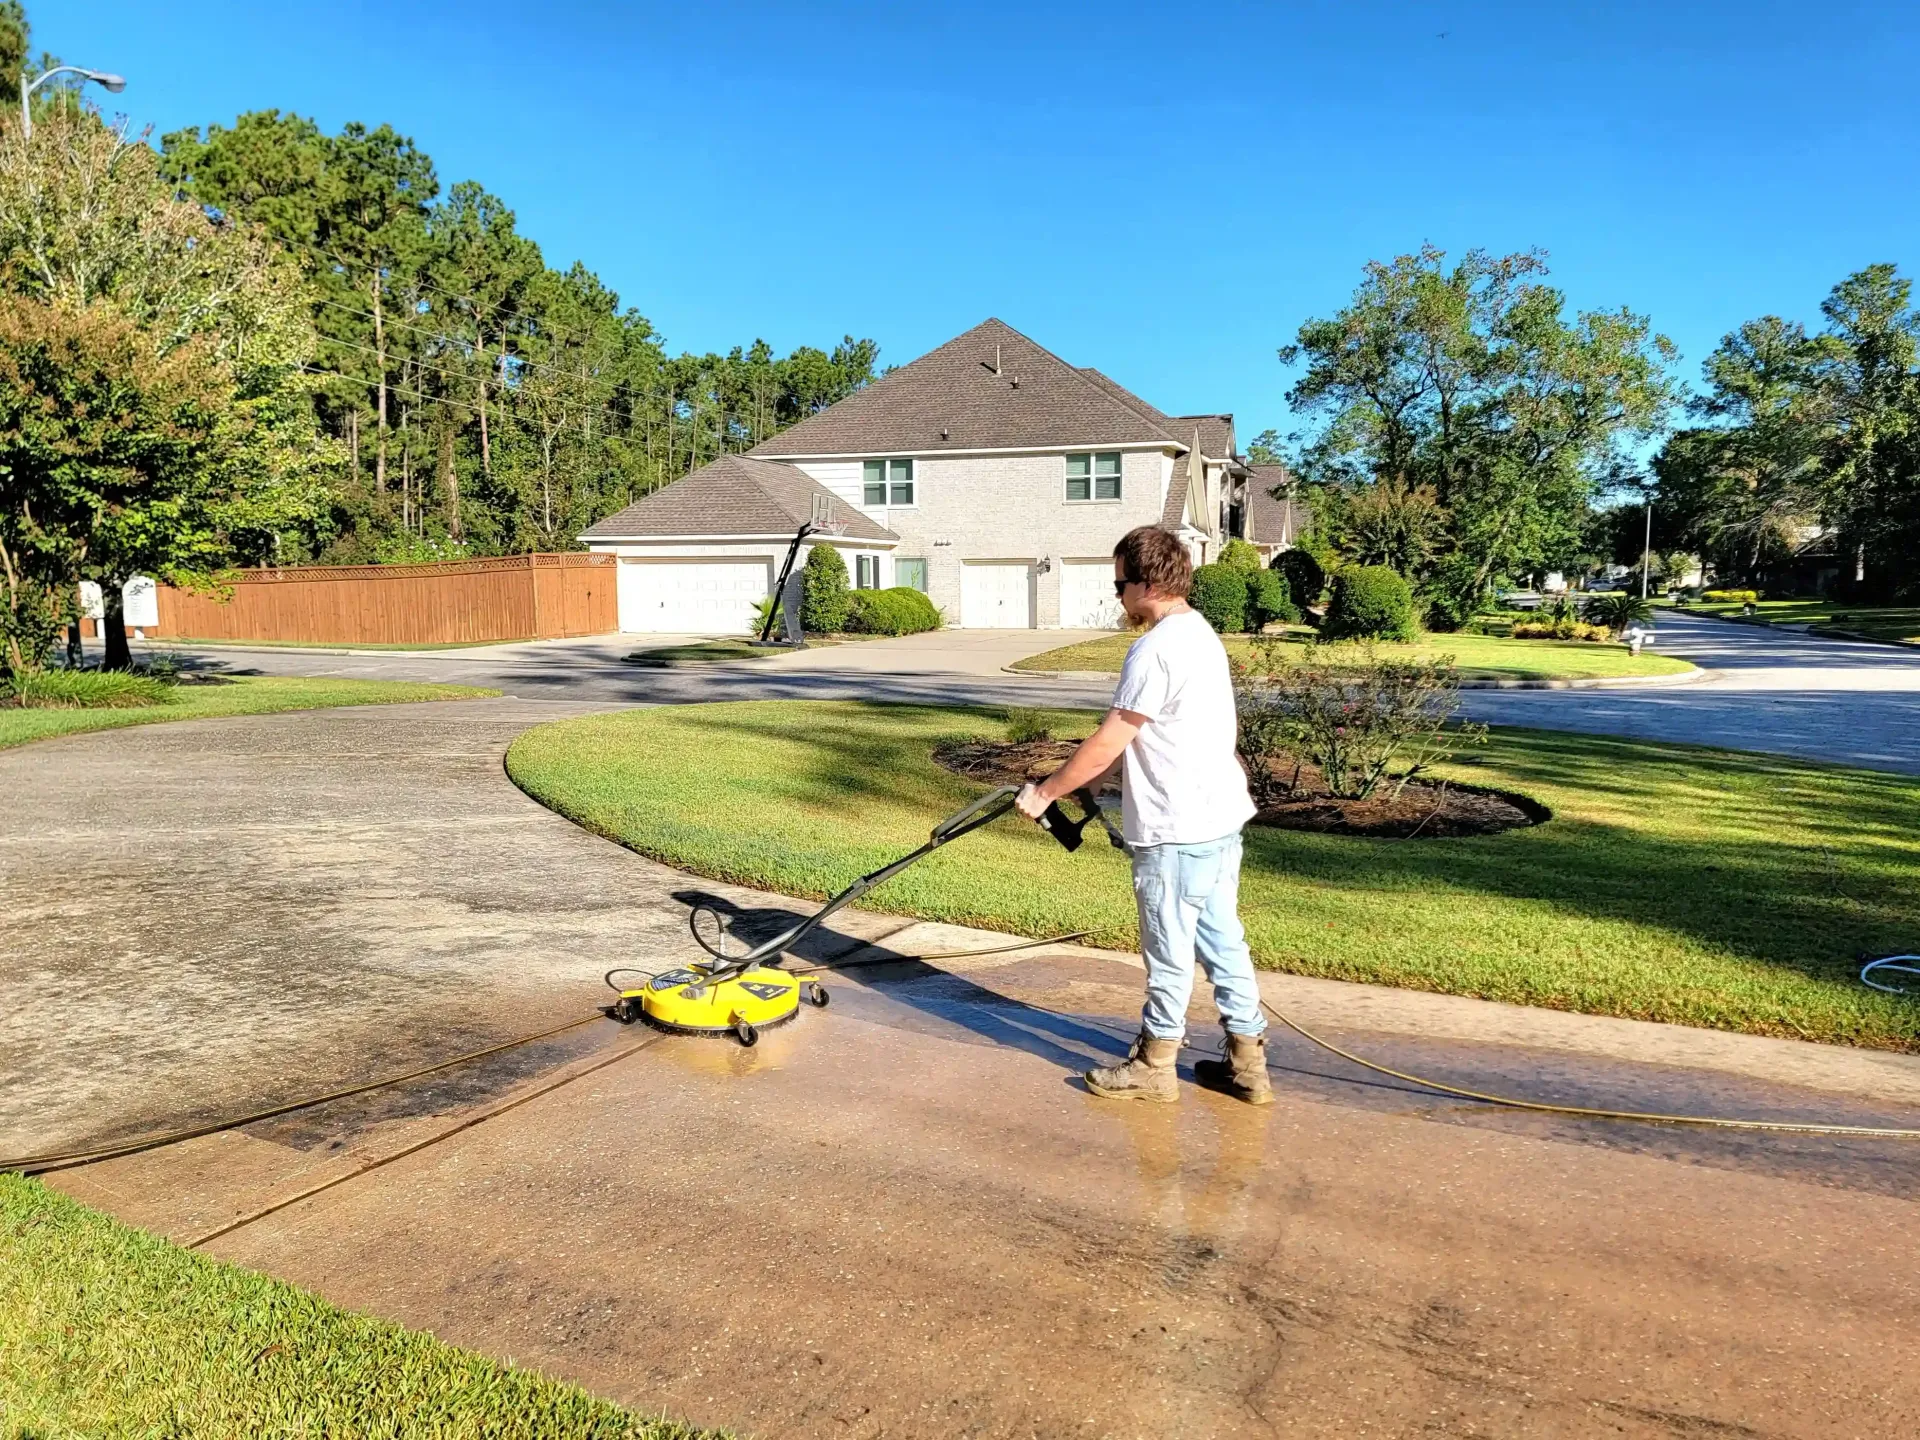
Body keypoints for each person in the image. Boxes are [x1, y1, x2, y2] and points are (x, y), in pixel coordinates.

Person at [1015, 526, 1270, 1105]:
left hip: (1177, 830)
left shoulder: (1154, 649)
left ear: (1148, 583)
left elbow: (1113, 737)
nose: (1118, 596)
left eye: (1120, 584)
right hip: (1218, 820)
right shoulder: (1199, 632)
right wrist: (1088, 786)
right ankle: (1248, 1062)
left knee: (1168, 947)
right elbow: (1136, 737)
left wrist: (1048, 791)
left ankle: (1155, 1064)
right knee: (1222, 937)